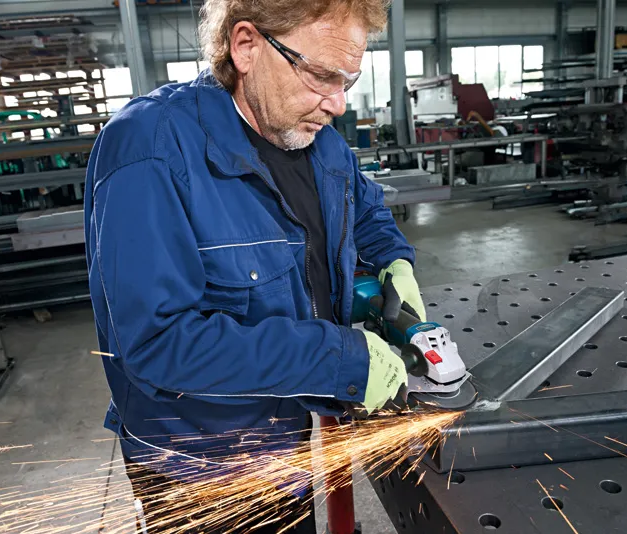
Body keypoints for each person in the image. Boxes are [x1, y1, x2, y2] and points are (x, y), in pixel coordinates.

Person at [83, 0, 427, 530]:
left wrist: (394, 261)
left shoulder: (316, 138)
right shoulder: (148, 149)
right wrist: (340, 359)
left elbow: (364, 207)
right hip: (198, 470)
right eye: (321, 75)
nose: (337, 103)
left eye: (349, 81)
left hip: (284, 438)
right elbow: (156, 344)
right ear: (246, 46)